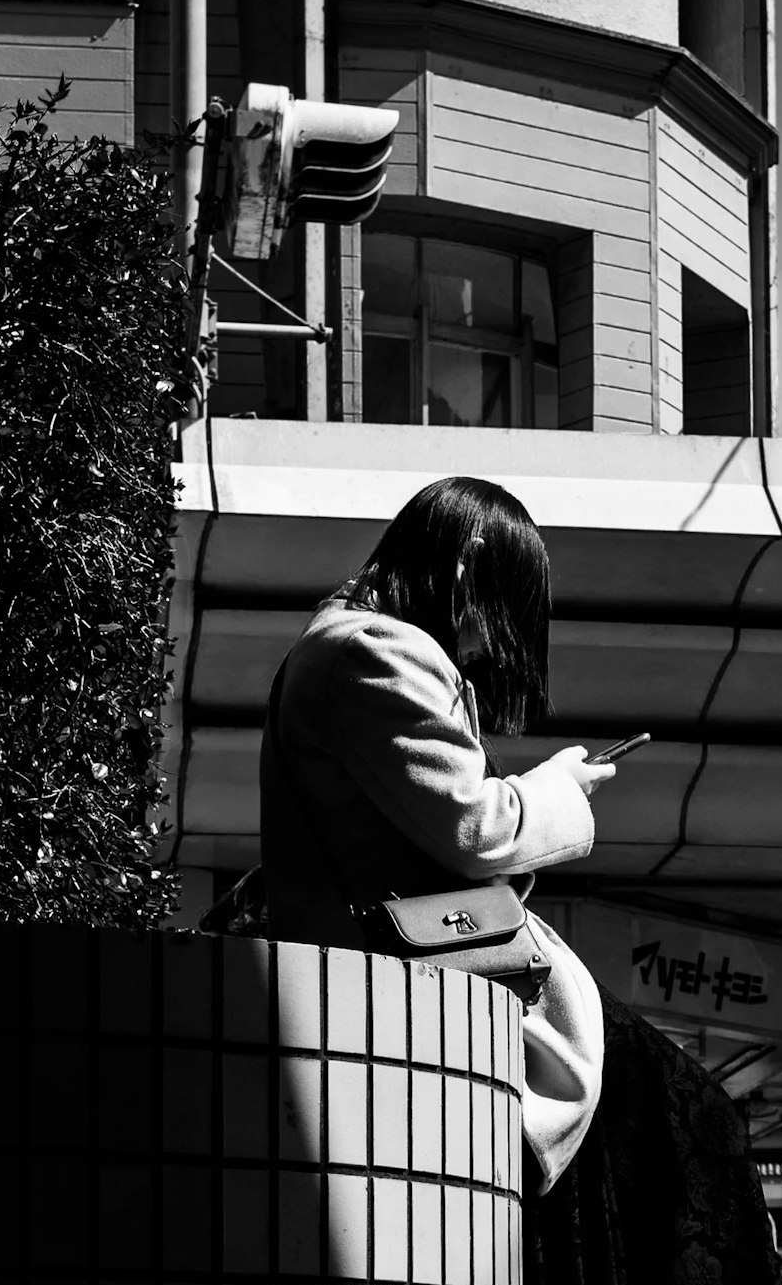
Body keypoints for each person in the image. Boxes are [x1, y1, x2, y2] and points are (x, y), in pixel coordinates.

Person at [256, 476, 614, 1189]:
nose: (486, 645)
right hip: (391, 991)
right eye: (498, 611)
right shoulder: (376, 651)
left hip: (377, 985)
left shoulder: (346, 644)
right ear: (465, 563)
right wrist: (556, 790)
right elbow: (473, 830)